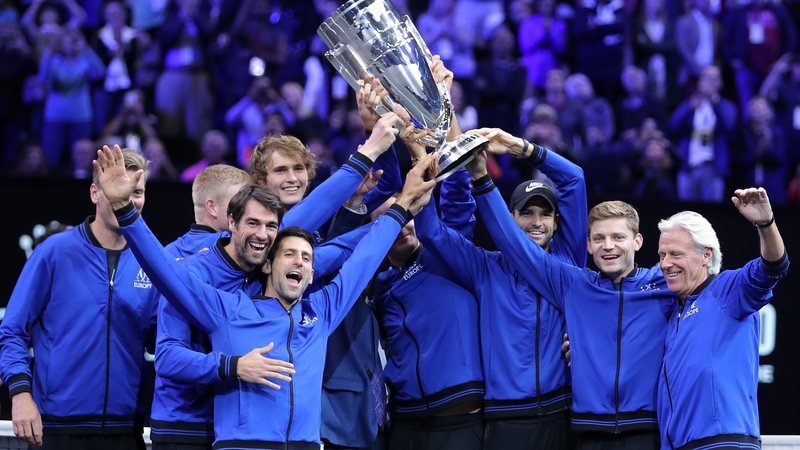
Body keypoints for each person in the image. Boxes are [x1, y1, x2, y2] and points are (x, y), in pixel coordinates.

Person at [93, 145, 437, 450]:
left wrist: (402, 208)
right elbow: (164, 270)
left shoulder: (321, 311)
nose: (299, 262)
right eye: (289, 255)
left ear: (313, 272)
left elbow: (361, 259)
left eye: (306, 258)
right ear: (268, 263)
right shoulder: (228, 309)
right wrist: (125, 209)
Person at [467, 129, 677, 449]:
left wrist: (518, 146)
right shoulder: (575, 282)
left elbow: (573, 178)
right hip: (579, 431)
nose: (609, 246)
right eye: (599, 239)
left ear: (637, 241)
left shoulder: (663, 282)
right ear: (588, 245)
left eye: (618, 237)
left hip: (641, 429)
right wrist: (481, 177)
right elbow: (512, 242)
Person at [412, 128, 587, 450]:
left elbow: (574, 178)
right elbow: (431, 232)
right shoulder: (485, 268)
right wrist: (421, 164)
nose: (537, 222)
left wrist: (519, 147)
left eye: (545, 214)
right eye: (527, 213)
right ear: (510, 217)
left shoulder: (569, 259)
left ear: (557, 222)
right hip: (506, 418)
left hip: (563, 414)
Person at [0, 148, 158, 449]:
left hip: (126, 431)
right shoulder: (54, 252)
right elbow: (12, 330)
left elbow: (161, 341)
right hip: (57, 429)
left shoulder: (152, 261)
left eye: (136, 192)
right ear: (95, 193)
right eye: (118, 188)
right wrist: (20, 394)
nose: (127, 199)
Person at [656, 188, 788, 449]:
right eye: (662, 255)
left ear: (706, 255)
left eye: (676, 254)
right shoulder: (674, 312)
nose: (665, 264)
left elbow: (772, 268)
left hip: (723, 442)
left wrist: (766, 224)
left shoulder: (726, 290)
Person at [166, 164, 252, 258]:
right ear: (212, 207)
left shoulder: (167, 251)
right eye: (239, 202)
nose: (248, 210)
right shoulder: (232, 243)